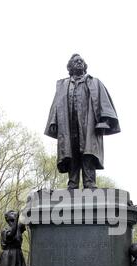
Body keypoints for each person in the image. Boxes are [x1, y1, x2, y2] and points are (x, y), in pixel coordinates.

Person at [45, 54, 120, 189]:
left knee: (88, 152)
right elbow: (56, 105)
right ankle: (72, 182)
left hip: (88, 125)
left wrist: (105, 120)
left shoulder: (94, 82)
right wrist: (53, 122)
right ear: (70, 67)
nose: (79, 63)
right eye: (75, 61)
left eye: (81, 61)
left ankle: (89, 182)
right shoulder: (63, 85)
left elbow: (104, 102)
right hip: (68, 124)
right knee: (71, 152)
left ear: (85, 66)